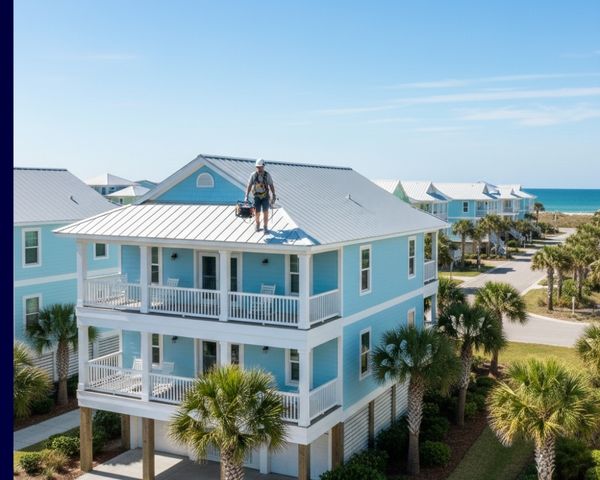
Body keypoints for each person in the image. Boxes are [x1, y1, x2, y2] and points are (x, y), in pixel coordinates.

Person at [245, 158, 276, 233]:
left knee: (265, 211)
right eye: (257, 167)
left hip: (265, 196)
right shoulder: (253, 175)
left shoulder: (267, 175)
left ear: (263, 166)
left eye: (260, 167)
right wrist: (246, 196)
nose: (258, 168)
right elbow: (249, 185)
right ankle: (257, 225)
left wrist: (273, 195)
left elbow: (271, 185)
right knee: (257, 212)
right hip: (256, 196)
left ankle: (265, 227)